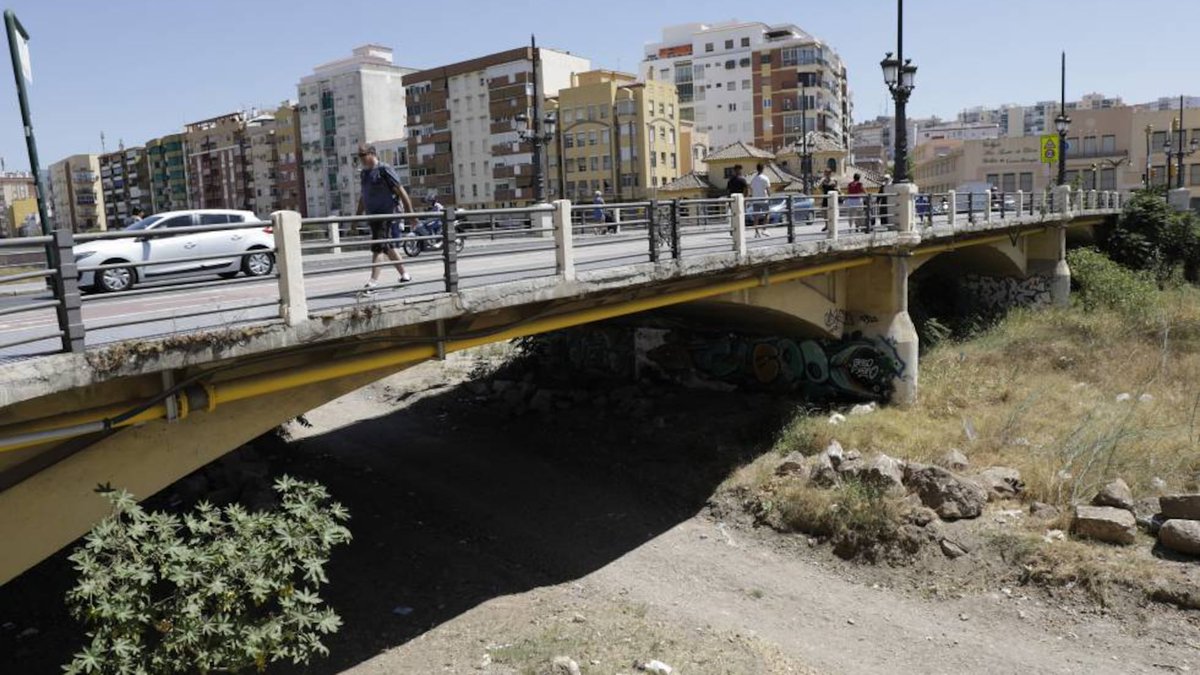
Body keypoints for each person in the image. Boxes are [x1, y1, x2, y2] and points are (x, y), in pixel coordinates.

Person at [356, 144, 413, 294]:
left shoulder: (384, 169)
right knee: (387, 247)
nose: (360, 158)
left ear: (372, 154)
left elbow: (401, 191)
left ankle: (372, 283)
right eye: (359, 156)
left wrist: (410, 214)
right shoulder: (364, 174)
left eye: (362, 155)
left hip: (385, 215)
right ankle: (405, 275)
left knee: (378, 246)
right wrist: (356, 217)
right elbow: (363, 197)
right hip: (372, 216)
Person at [748, 163, 771, 238]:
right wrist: (770, 197)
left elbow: (751, 189)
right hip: (764, 199)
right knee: (767, 214)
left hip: (755, 200)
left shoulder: (753, 179)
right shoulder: (765, 178)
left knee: (756, 217)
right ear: (763, 169)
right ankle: (764, 229)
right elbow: (767, 189)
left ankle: (756, 232)